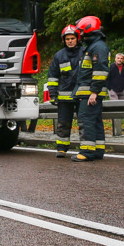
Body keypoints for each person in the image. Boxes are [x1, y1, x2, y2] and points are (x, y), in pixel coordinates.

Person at [71, 16, 110, 162]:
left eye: (81, 31)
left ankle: (87, 152)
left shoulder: (97, 47)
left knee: (86, 121)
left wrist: (94, 92)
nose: (79, 34)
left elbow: (100, 71)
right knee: (95, 121)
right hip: (90, 92)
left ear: (88, 29)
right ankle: (98, 150)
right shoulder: (95, 46)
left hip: (90, 93)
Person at [46, 24, 84, 158]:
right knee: (63, 123)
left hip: (81, 95)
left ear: (77, 39)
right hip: (64, 97)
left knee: (83, 123)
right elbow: (52, 76)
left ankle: (84, 149)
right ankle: (61, 148)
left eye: (72, 38)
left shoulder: (84, 53)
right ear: (64, 40)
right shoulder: (59, 56)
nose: (70, 41)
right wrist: (53, 94)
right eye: (67, 39)